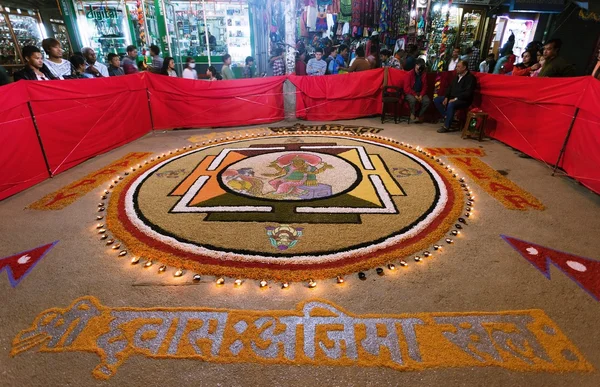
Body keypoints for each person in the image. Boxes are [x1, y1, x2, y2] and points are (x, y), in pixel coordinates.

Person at [434, 60, 476, 133]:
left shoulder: (470, 78)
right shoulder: (457, 77)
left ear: (464, 67)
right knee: (437, 100)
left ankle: (446, 126)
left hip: (463, 100)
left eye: (458, 66)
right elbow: (450, 88)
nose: (456, 68)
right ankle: (447, 116)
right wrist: (447, 97)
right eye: (456, 66)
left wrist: (456, 99)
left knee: (451, 104)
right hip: (452, 97)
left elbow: (468, 93)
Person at [404, 58, 430, 123]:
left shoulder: (423, 74)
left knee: (427, 101)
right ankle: (412, 114)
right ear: (415, 65)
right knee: (413, 100)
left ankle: (420, 115)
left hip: (420, 92)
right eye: (418, 67)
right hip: (410, 92)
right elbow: (407, 88)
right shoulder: (409, 74)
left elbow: (425, 86)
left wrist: (421, 95)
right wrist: (415, 95)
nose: (419, 69)